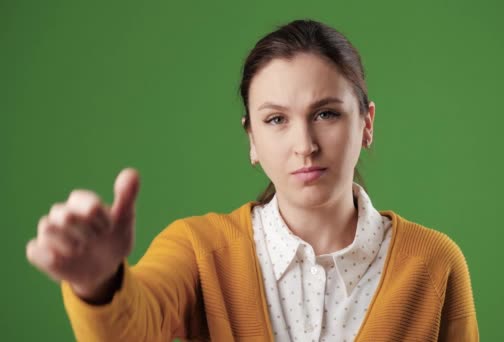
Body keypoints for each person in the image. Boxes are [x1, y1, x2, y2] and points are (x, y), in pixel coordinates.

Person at [25, 19, 479, 341]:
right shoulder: (198, 250)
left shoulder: (435, 264)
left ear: (366, 123)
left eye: (326, 113)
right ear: (252, 139)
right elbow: (138, 328)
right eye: (277, 119)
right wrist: (100, 284)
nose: (304, 144)